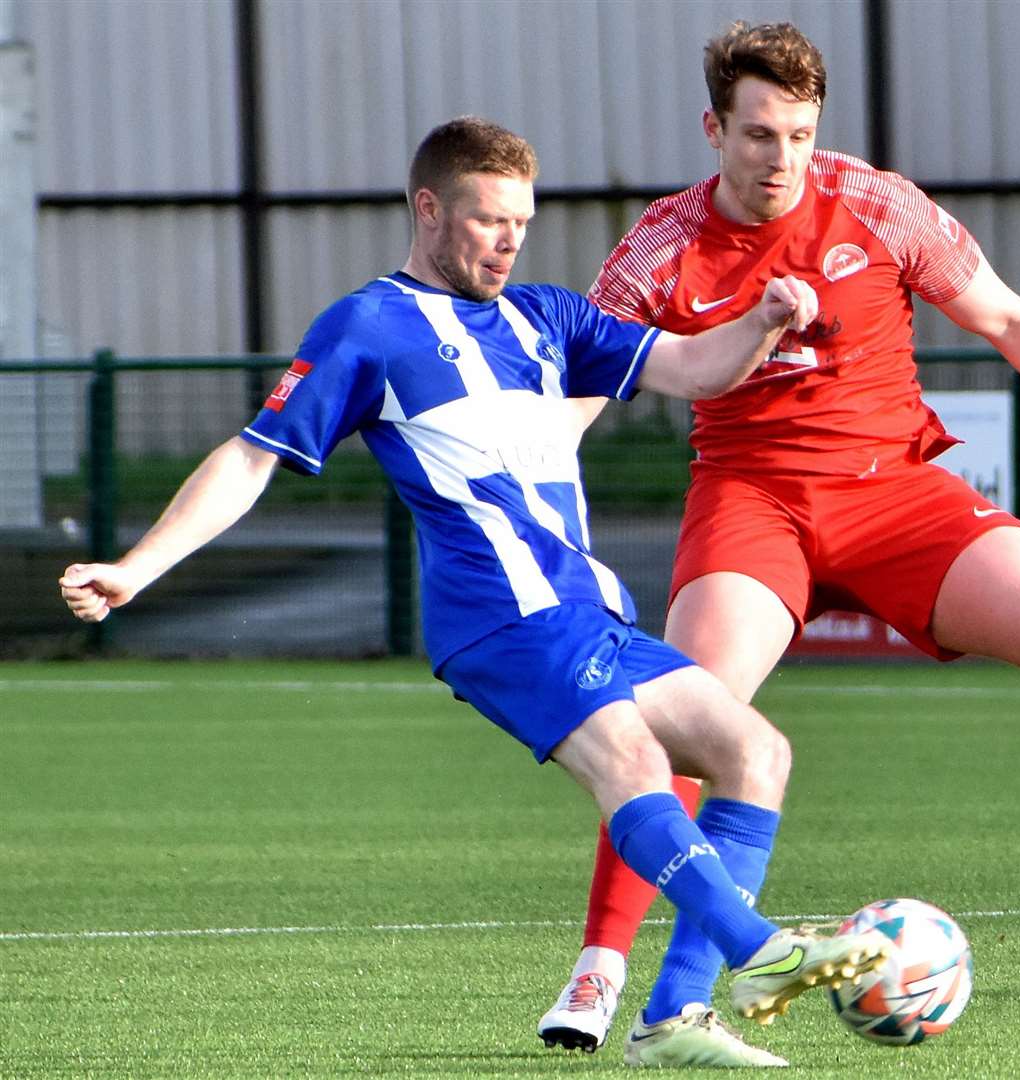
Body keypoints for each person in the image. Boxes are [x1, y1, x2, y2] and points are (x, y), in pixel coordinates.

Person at [58, 116, 887, 1067]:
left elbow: (693, 368)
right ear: (429, 209)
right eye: (489, 220)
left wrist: (762, 321)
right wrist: (135, 567)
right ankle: (763, 952)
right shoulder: (368, 327)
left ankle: (674, 1017)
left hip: (586, 612)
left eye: (521, 223)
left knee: (755, 753)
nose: (508, 240)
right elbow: (252, 459)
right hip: (500, 615)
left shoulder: (548, 316)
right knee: (632, 765)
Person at [538, 20, 1020, 1061]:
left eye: (798, 133)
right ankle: (600, 970)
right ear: (712, 130)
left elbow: (1005, 320)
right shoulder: (659, 247)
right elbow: (578, 399)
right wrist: (528, 510)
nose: (780, 157)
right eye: (757, 134)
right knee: (685, 712)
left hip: (891, 492)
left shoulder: (875, 203)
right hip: (751, 500)